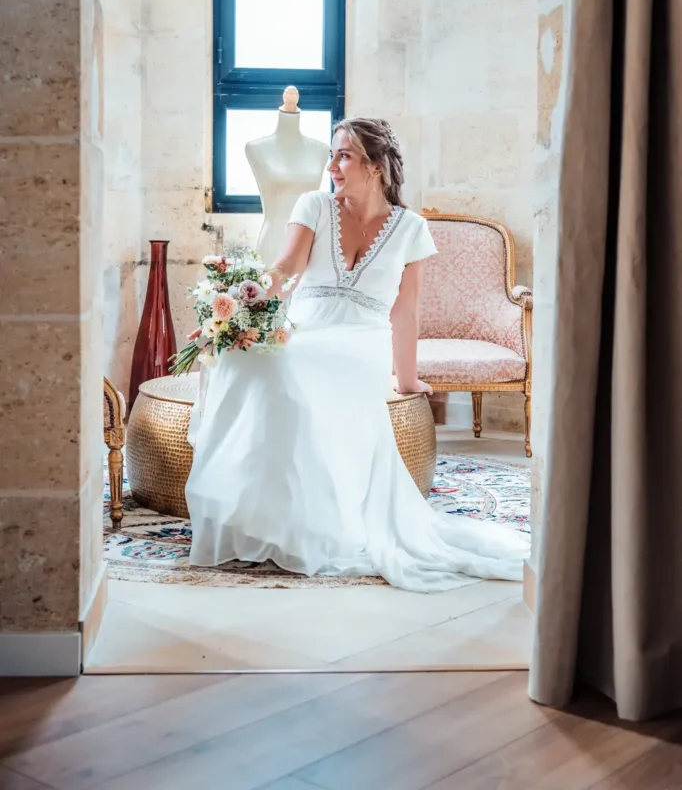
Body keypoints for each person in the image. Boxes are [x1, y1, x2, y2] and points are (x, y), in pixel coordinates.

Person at [185, 118, 529, 591]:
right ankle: (259, 515)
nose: (331, 167)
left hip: (359, 346)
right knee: (254, 360)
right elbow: (283, 270)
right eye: (332, 155)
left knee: (284, 368)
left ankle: (311, 523)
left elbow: (406, 314)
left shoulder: (411, 229)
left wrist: (407, 382)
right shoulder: (314, 206)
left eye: (342, 155)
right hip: (306, 331)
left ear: (376, 166)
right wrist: (232, 315)